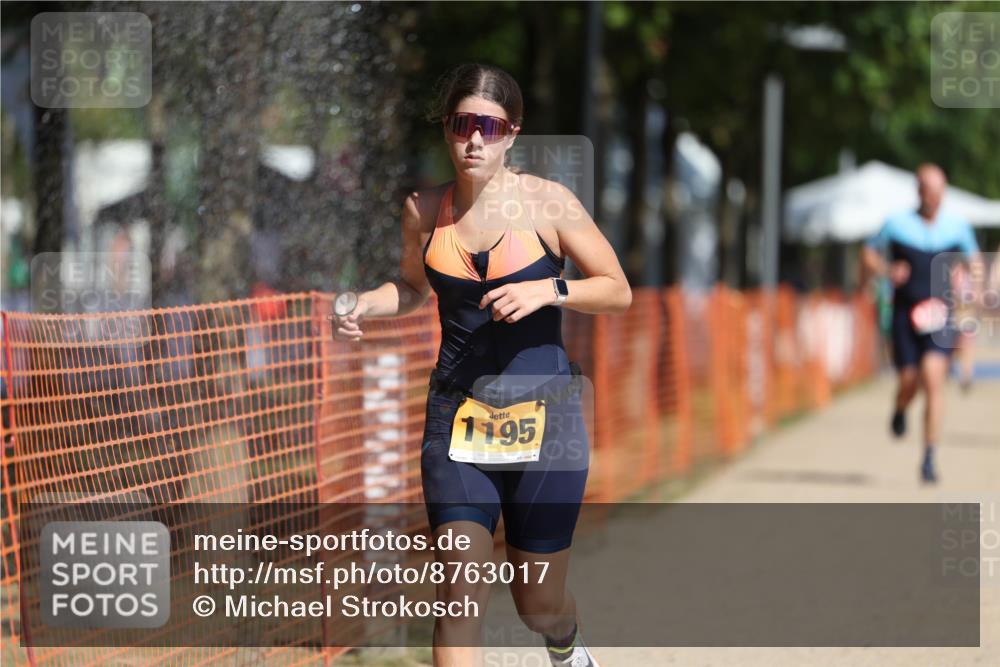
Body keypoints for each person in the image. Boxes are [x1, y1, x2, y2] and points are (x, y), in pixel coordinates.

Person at [333, 63, 631, 666]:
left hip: (548, 422)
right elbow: (414, 288)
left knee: (537, 602)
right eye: (462, 124)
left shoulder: (551, 204)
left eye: (489, 127)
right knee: (460, 592)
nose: (474, 140)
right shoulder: (423, 208)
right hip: (458, 418)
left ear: (512, 133)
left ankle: (567, 647)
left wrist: (551, 291)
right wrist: (366, 302)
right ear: (446, 130)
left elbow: (617, 288)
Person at [862, 164, 982, 483]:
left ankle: (929, 457)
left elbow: (974, 263)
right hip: (904, 316)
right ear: (918, 191)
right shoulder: (897, 224)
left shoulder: (956, 227)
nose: (936, 196)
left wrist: (966, 280)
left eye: (940, 190)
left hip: (941, 317)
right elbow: (868, 254)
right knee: (909, 380)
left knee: (933, 381)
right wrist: (887, 270)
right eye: (930, 190)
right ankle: (900, 408)